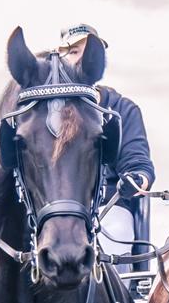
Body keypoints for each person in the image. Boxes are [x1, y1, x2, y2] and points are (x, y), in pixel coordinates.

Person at [57, 22, 155, 252]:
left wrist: (137, 178)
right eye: (70, 53)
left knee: (117, 234)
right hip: (55, 211)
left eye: (82, 52)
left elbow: (139, 163)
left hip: (108, 209)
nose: (76, 60)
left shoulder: (123, 109)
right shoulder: (47, 113)